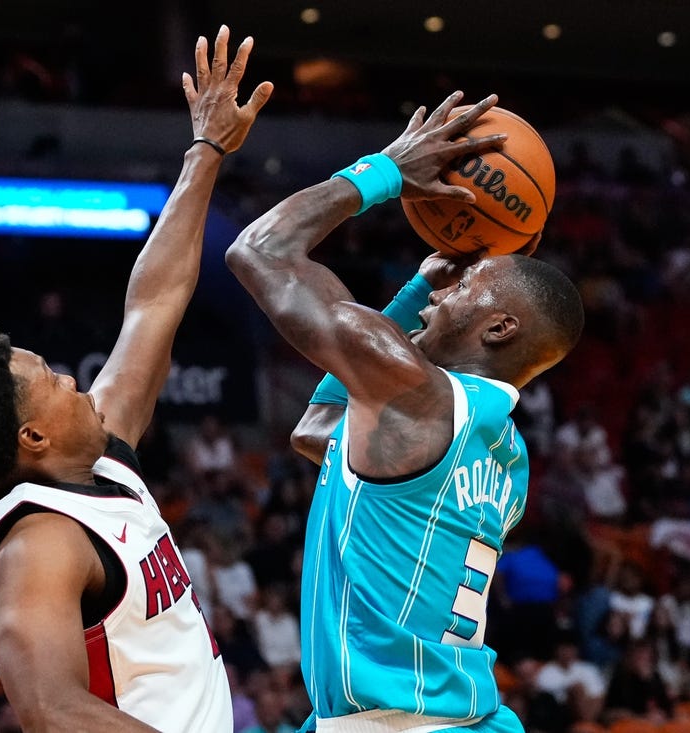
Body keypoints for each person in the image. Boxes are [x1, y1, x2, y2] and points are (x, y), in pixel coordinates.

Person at [0, 25, 272, 732]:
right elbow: (50, 709)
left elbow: (154, 303)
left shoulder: (101, 456)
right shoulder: (38, 544)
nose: (74, 377)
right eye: (49, 377)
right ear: (32, 434)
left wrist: (206, 152)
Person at [226, 91, 584, 732]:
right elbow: (318, 433)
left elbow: (261, 251)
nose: (441, 294)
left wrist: (388, 169)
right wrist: (420, 284)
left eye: (465, 288)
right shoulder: (509, 458)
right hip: (451, 716)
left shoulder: (417, 397)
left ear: (499, 328)